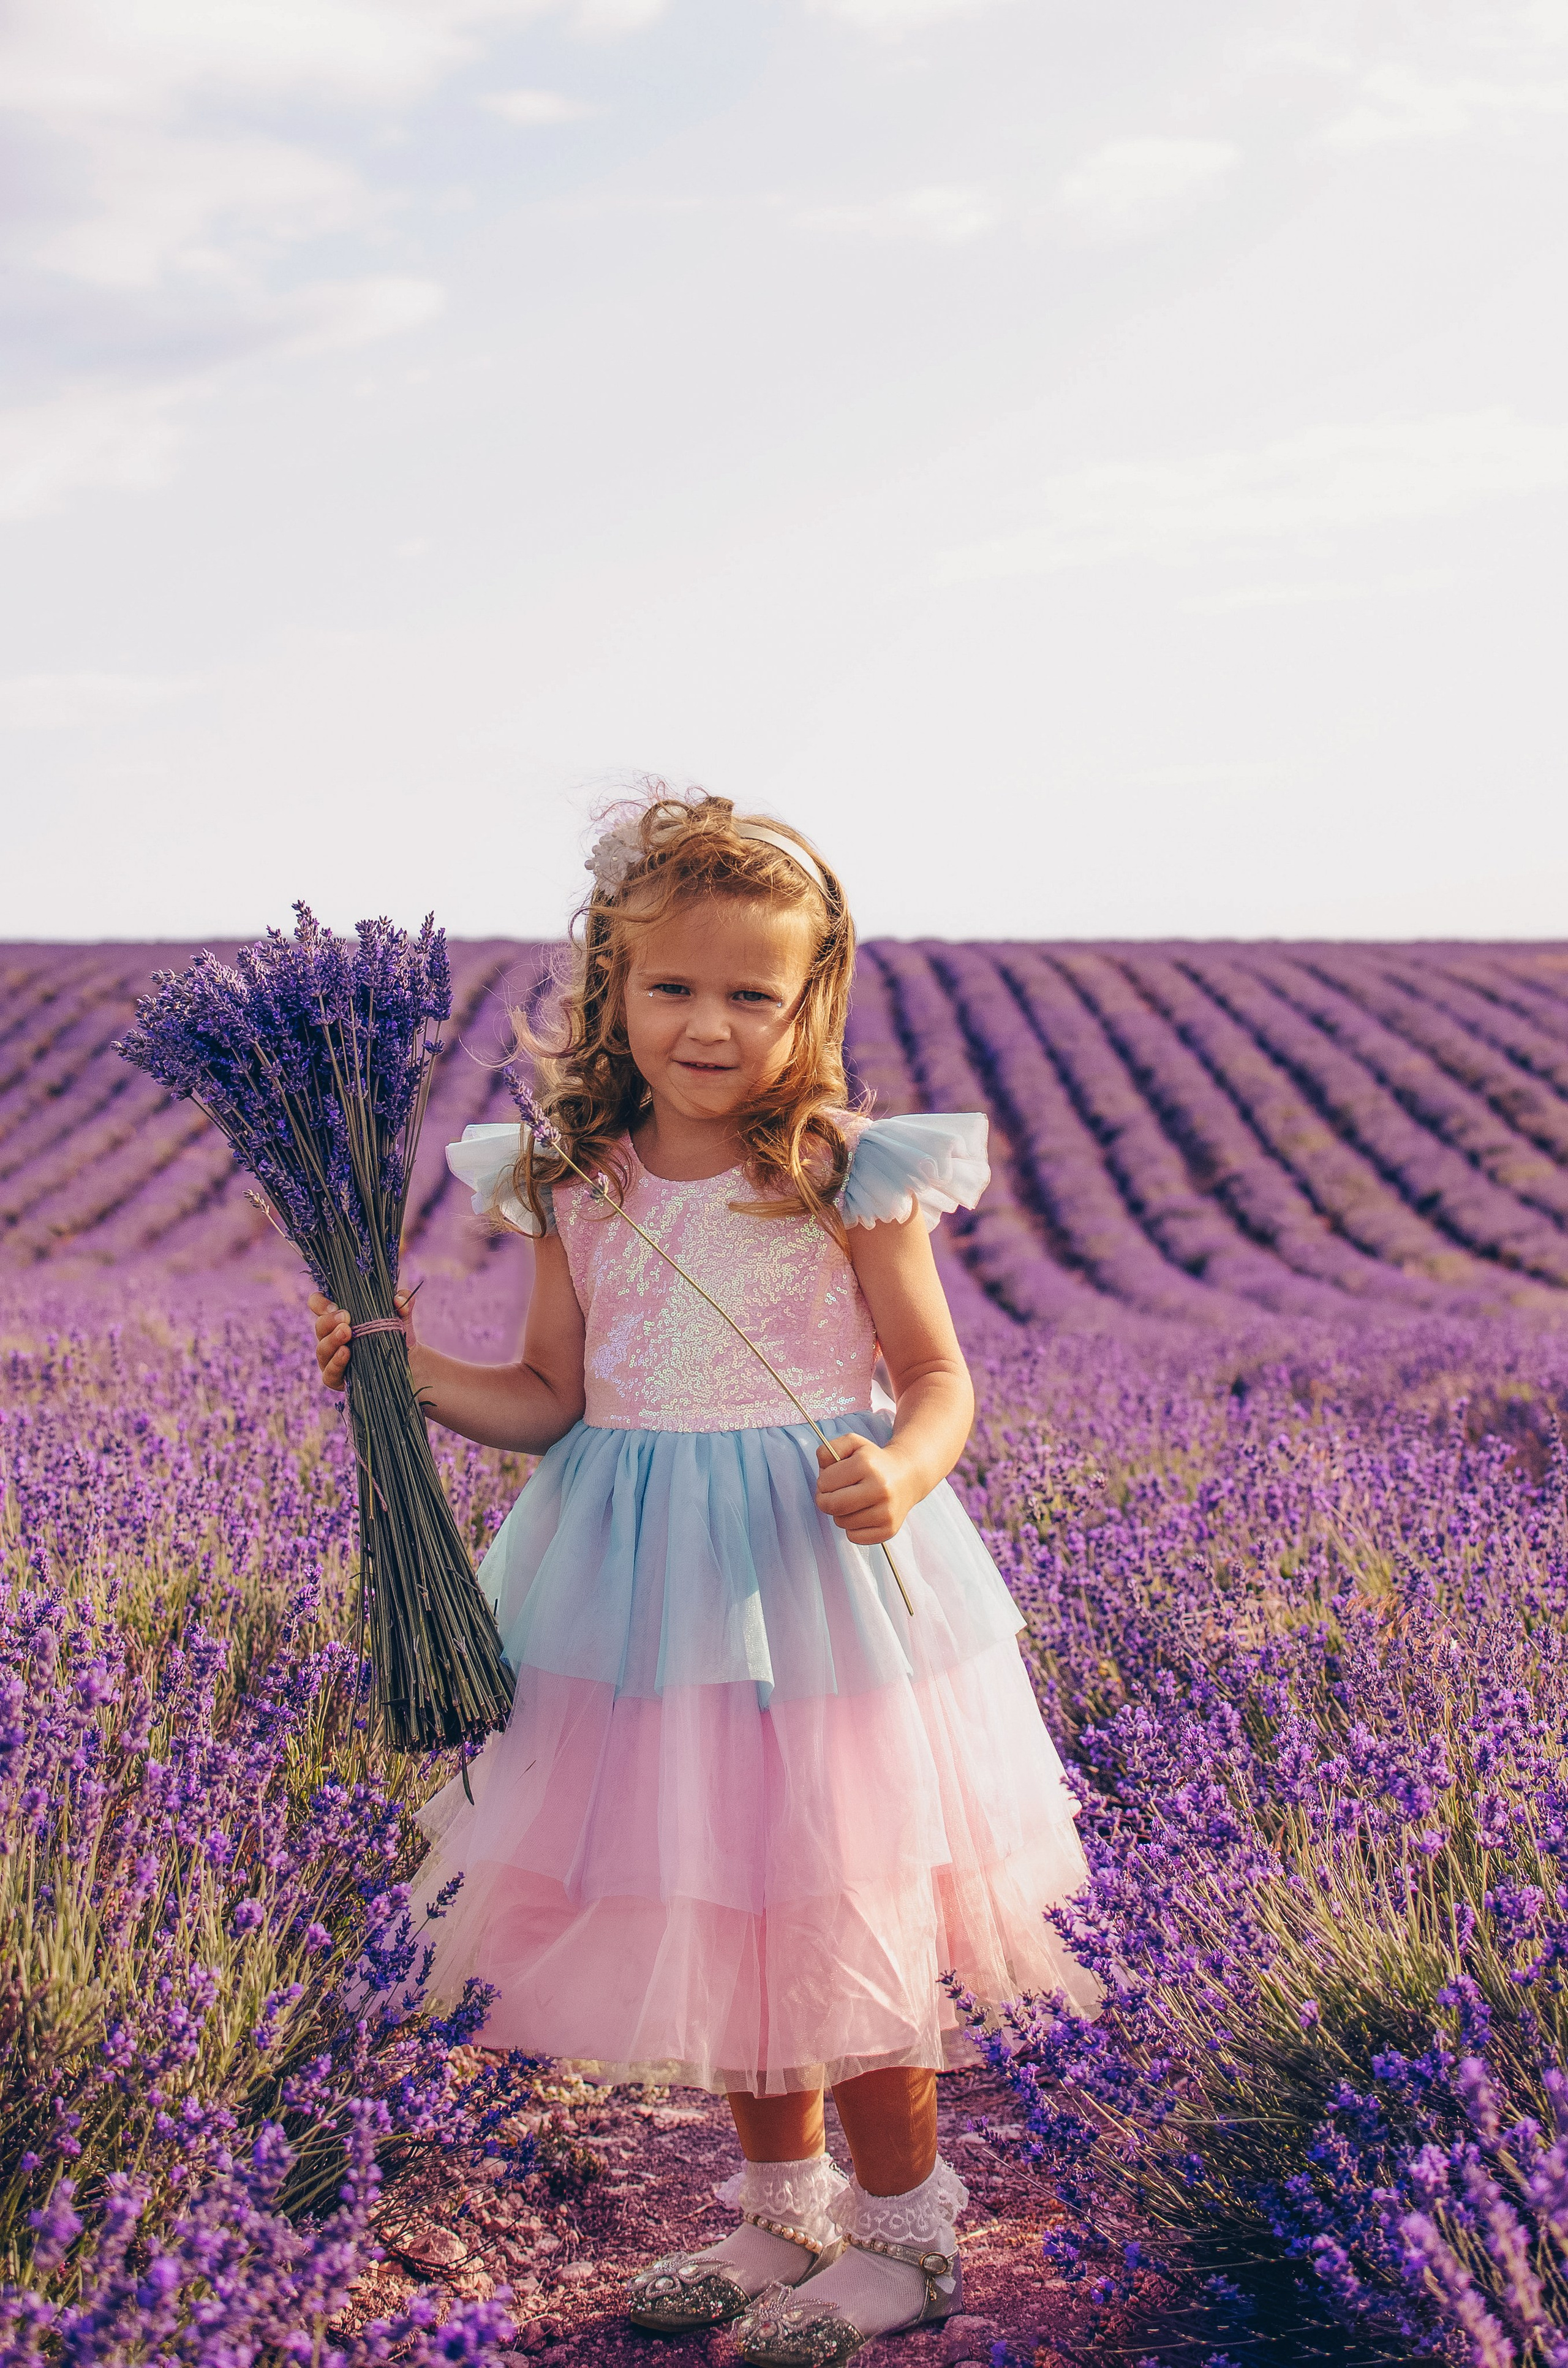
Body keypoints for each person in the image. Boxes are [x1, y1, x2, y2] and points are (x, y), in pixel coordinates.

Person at [310, 792, 1095, 2365]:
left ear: (813, 998)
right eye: (671, 985)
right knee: (726, 1892)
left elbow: (936, 1376)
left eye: (753, 991)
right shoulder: (570, 1179)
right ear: (610, 985)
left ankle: (904, 2232)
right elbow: (554, 1395)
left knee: (843, 1891)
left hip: (817, 1577)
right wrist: (406, 1369)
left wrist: (903, 1469)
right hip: (641, 1585)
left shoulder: (836, 1170)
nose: (709, 1023)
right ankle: (777, 2209)